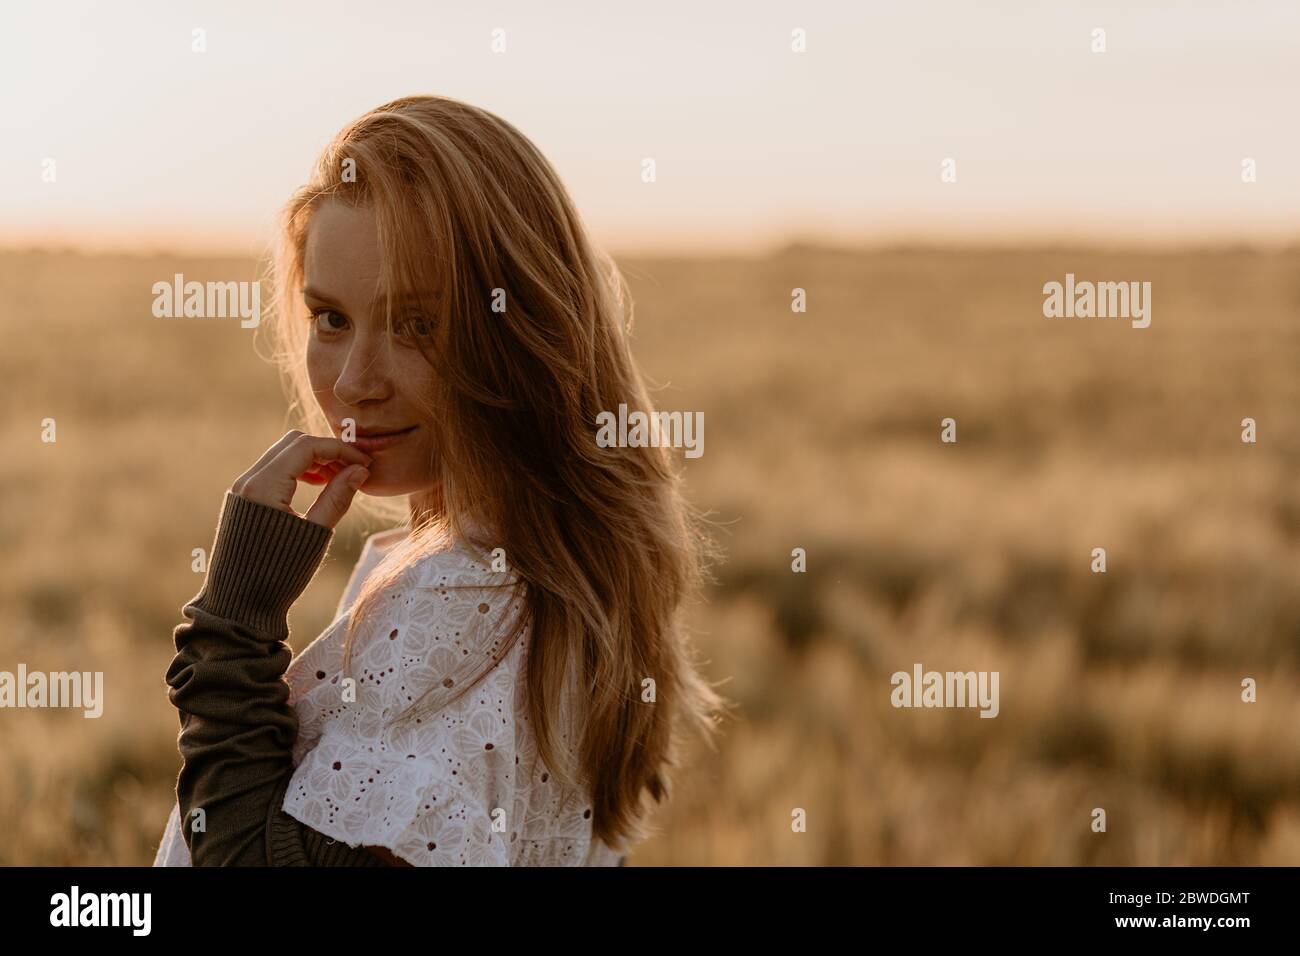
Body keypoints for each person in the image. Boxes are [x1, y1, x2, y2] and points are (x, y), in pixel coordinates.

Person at [154, 94, 728, 867]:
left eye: (418, 324)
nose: (356, 382)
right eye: (331, 317)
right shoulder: (572, 568)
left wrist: (233, 620)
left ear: (521, 333)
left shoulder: (456, 602)